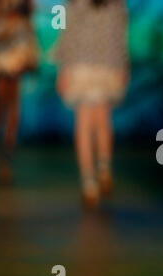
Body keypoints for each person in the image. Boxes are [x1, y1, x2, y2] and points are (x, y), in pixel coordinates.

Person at [53, 0, 129, 209]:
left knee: (84, 124)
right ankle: (104, 168)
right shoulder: (116, 5)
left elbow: (67, 37)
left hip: (81, 67)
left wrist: (64, 69)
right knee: (102, 120)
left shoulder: (75, 4)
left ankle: (89, 183)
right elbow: (120, 38)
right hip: (107, 67)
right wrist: (123, 66)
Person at [0, 0, 37, 184]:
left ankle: (7, 155)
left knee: (11, 107)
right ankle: (5, 156)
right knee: (3, 106)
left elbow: (29, 14)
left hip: (16, 51)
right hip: (3, 48)